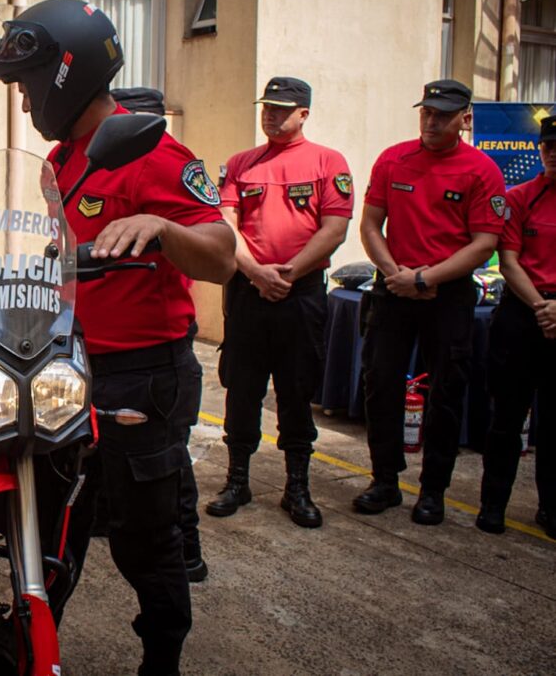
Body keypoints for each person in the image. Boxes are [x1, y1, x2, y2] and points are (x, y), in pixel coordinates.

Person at [0, 0, 236, 675]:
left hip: (146, 373)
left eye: (27, 87)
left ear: (66, 74)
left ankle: (162, 658)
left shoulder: (152, 150)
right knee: (51, 520)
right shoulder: (60, 163)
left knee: (146, 538)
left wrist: (165, 229)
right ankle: (32, 643)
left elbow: (222, 253)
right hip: (72, 367)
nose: (25, 105)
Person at [355, 79, 505, 525]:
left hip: (448, 293)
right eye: (426, 112)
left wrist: (425, 278)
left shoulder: (481, 170)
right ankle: (385, 480)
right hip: (395, 287)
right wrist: (396, 275)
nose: (432, 121)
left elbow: (483, 243)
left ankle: (433, 490)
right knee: (380, 385)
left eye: (442, 114)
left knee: (446, 392)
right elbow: (370, 226)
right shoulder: (393, 159)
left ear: (465, 119)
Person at [210, 77, 353, 529]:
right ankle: (238, 480)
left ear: (303, 114)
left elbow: (335, 228)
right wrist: (257, 272)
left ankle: (297, 486)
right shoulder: (241, 164)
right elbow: (225, 224)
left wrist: (287, 274)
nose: (270, 115)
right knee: (242, 387)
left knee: (296, 389)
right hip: (249, 292)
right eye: (267, 108)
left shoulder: (328, 162)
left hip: (300, 294)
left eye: (281, 109)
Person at [110, 85, 208, 581]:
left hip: (159, 347)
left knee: (167, 468)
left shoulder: (167, 163)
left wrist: (161, 227)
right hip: (101, 350)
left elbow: (214, 246)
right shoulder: (86, 162)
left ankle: (186, 548)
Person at [476, 115, 556, 538]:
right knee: (506, 417)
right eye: (549, 146)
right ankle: (493, 504)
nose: (554, 153)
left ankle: (550, 507)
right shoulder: (519, 196)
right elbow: (508, 261)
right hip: (524, 314)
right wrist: (544, 307)